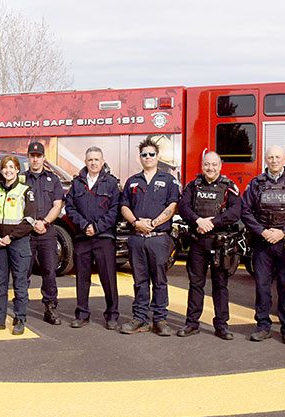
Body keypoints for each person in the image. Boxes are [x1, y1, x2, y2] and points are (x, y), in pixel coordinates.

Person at [240, 145, 285, 344]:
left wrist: (283, 232)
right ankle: (263, 326)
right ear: (265, 160)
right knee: (262, 288)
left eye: (278, 157)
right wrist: (262, 231)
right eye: (270, 157)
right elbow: (245, 211)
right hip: (262, 244)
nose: (274, 160)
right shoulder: (256, 183)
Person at [176, 151, 241, 340]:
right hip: (198, 241)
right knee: (196, 284)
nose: (210, 168)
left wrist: (213, 223)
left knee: (221, 285)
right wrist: (198, 221)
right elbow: (183, 207)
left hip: (220, 243)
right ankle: (191, 323)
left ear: (220, 166)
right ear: (202, 166)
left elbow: (236, 211)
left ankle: (222, 325)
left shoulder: (229, 187)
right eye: (206, 165)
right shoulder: (193, 185)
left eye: (214, 165)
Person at [119, 137, 180, 336]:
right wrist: (136, 223)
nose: (148, 157)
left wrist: (154, 223)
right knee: (139, 280)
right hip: (137, 237)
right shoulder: (132, 181)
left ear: (157, 156)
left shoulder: (168, 180)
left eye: (151, 154)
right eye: (144, 154)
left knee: (160, 280)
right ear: (140, 158)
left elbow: (172, 206)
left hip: (159, 238)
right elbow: (124, 206)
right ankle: (140, 318)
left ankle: (160, 319)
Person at [64, 147, 121, 330]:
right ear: (85, 162)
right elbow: (70, 207)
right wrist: (84, 226)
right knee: (82, 278)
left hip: (104, 237)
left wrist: (97, 227)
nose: (93, 163)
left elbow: (115, 210)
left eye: (97, 159)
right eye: (90, 160)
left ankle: (112, 316)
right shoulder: (77, 183)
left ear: (102, 162)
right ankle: (82, 314)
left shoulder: (111, 183)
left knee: (108, 278)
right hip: (82, 237)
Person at [0, 155, 37, 335]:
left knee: (20, 283)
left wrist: (10, 237)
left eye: (11, 167)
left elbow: (29, 220)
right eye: (5, 167)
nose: (8, 170)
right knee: (0, 283)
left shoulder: (26, 191)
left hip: (18, 242)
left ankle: (20, 319)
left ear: (18, 169)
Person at [23, 141, 65, 326]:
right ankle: (20, 310)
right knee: (23, 273)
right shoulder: (21, 179)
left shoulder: (53, 179)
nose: (35, 159)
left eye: (38, 156)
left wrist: (45, 222)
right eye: (32, 156)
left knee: (49, 271)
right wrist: (32, 224)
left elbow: (58, 205)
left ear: (43, 158)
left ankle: (50, 308)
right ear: (28, 158)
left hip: (47, 232)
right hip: (27, 233)